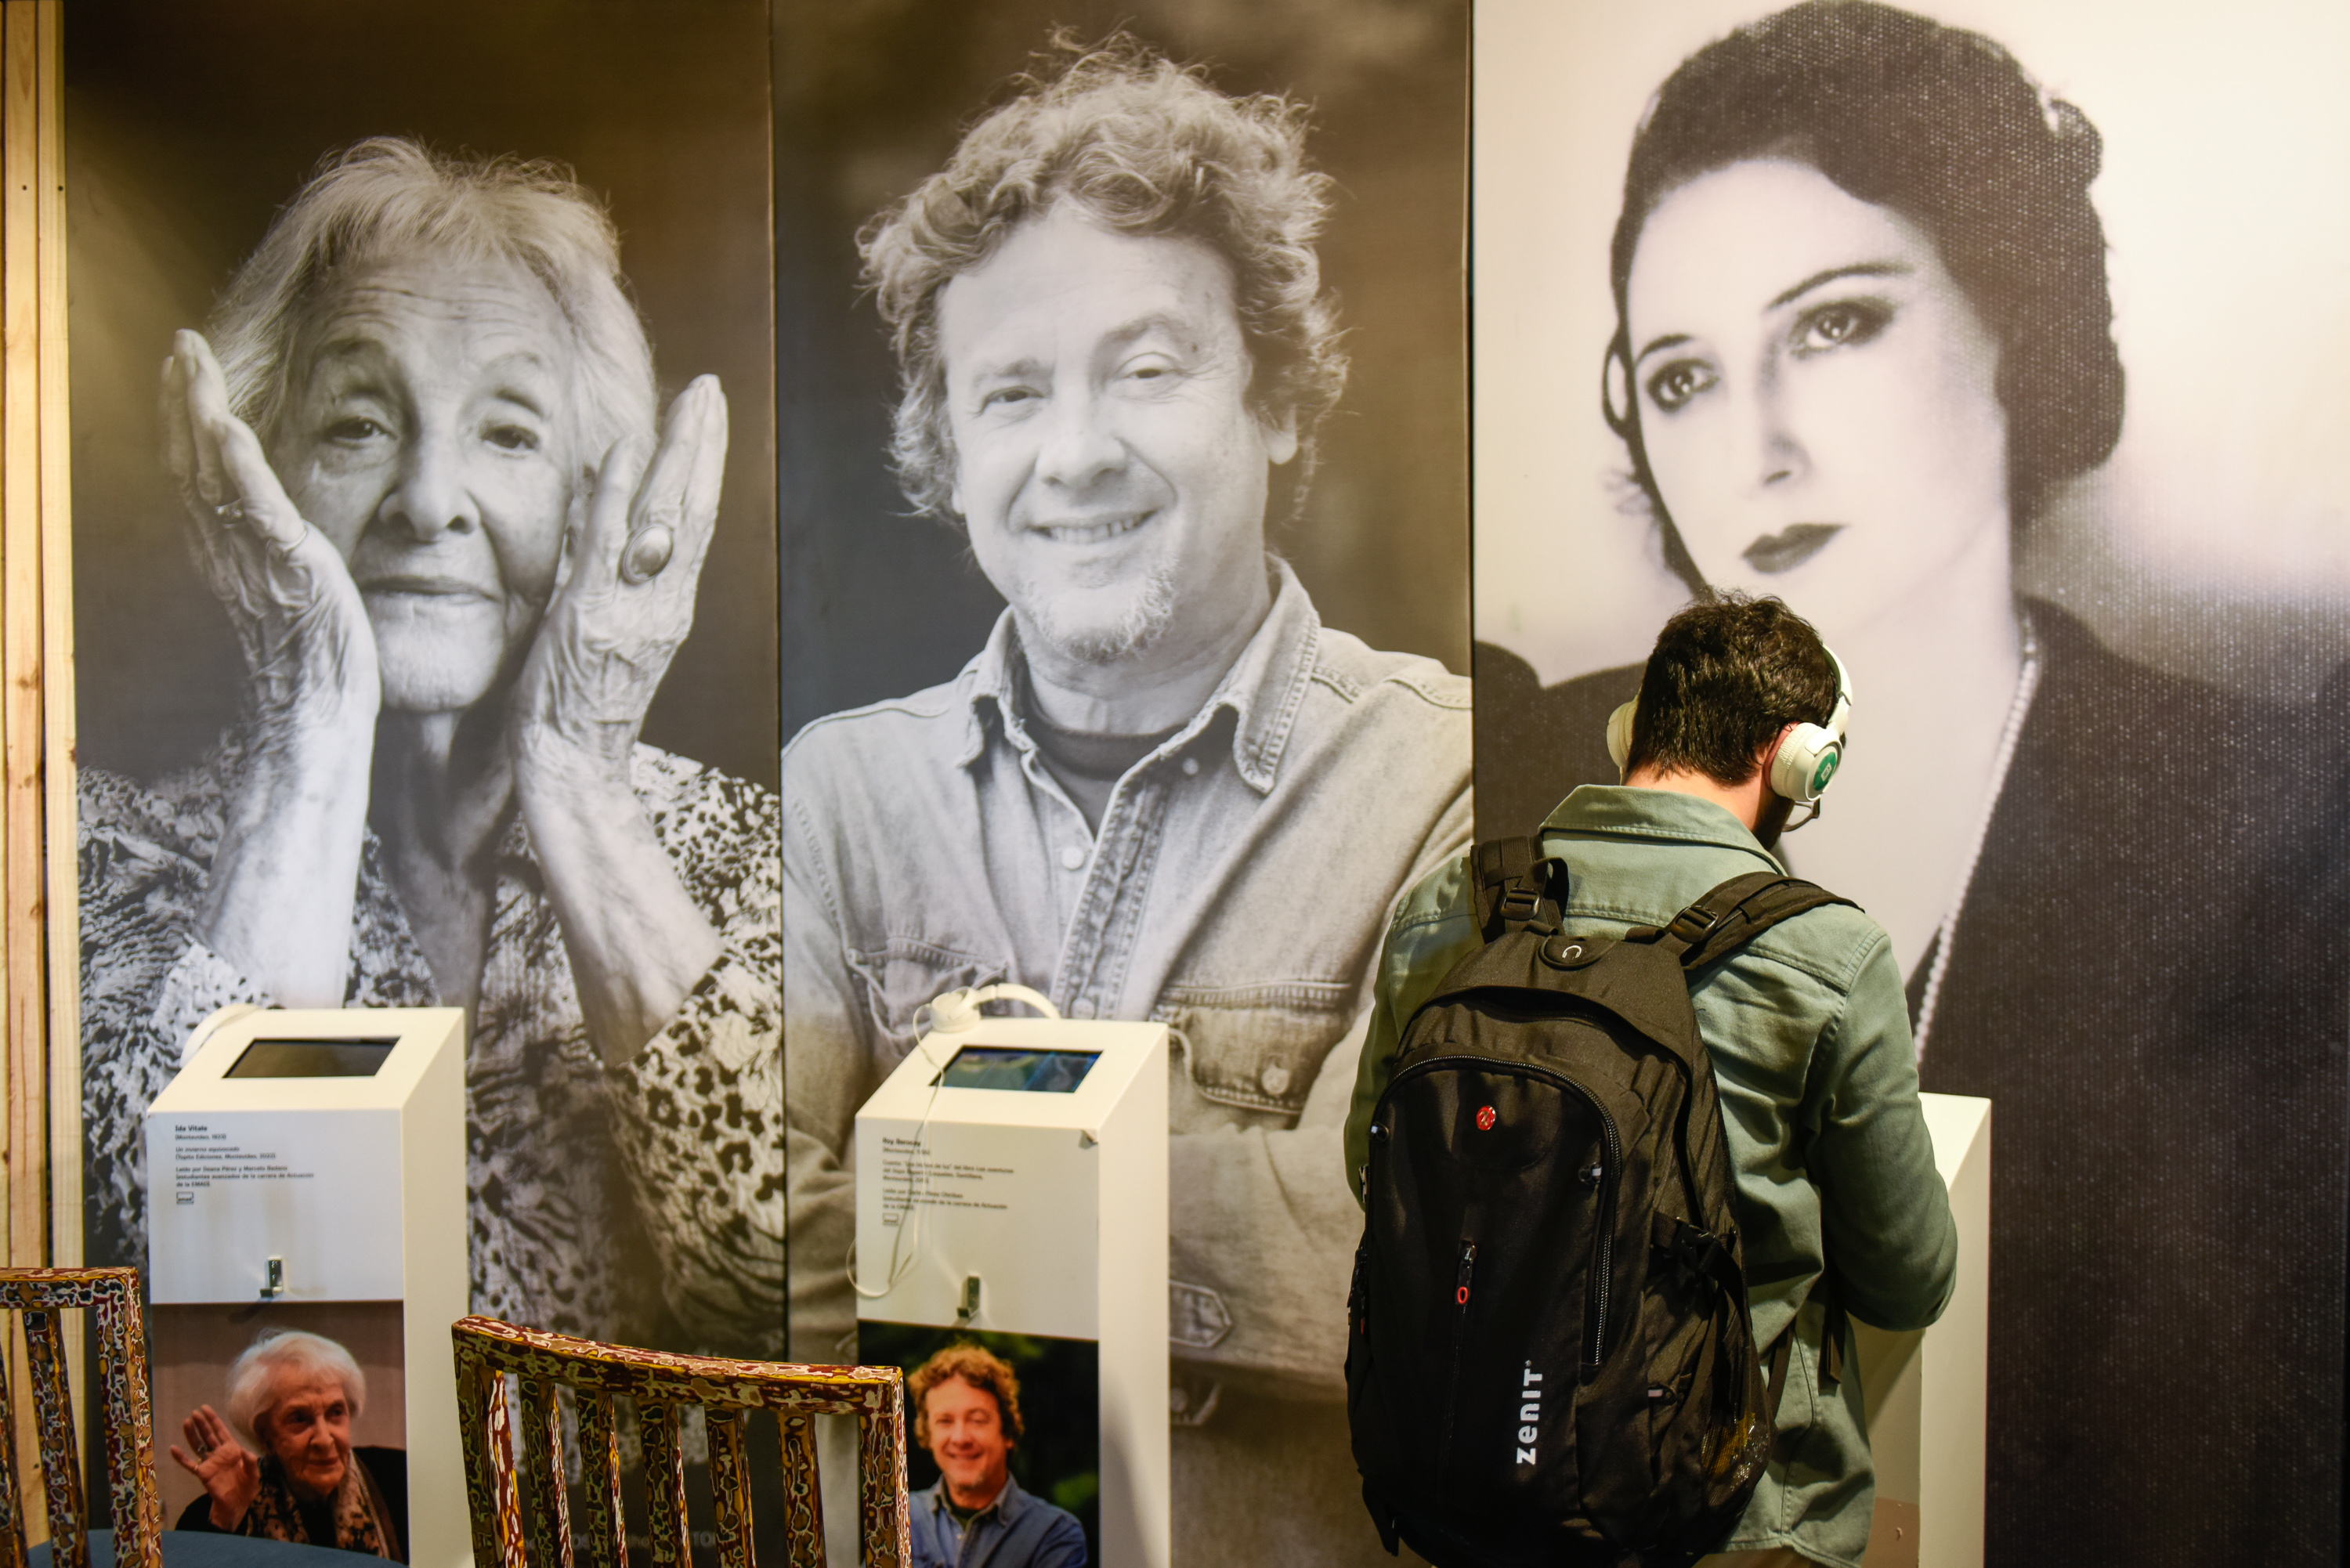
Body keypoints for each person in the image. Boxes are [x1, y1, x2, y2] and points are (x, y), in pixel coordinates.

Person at [1470, 5, 2349, 1562]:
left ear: (2014, 314)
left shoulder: (2266, 835)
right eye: (1682, 378)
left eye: (1834, 325)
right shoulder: (1539, 779)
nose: (1757, 444)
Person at [783, 36, 1472, 1564]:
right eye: (1012, 392)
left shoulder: (1446, 779)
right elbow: (762, 1257)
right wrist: (1196, 1201)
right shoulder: (838, 793)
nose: (1076, 453)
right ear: (950, 455)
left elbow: (1411, 1265)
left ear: (1279, 400)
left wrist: (946, 1190)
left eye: (1146, 370)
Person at [78, 137, 783, 1355]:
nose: (427, 500)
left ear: (591, 502)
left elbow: (790, 1296)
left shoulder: (742, 852)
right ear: (254, 476)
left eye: (508, 434)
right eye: (358, 422)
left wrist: (577, 773)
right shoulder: (105, 860)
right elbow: (183, 1284)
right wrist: (311, 729)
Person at [1352, 595, 1956, 1567]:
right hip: (1726, 1516)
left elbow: (1373, 1171)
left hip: (1467, 1495)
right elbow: (1906, 1278)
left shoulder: (1449, 909)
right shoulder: (1828, 955)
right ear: (1800, 759)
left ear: (1633, 730)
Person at [170, 1330, 407, 1558]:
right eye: (299, 1419)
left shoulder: (400, 1481)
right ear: (265, 1437)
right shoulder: (215, 1514)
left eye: (336, 1412)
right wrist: (226, 1519)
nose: (324, 1440)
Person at [906, 1344, 1088, 1568]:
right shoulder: (900, 1519)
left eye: (977, 1419)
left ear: (1008, 1433)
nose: (961, 1438)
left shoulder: (1054, 1534)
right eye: (945, 1421)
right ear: (927, 1435)